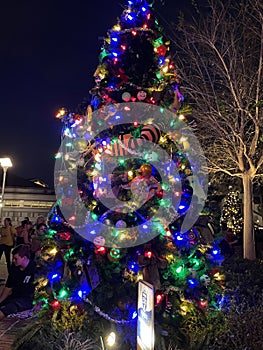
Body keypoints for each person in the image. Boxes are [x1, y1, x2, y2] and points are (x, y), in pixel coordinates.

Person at [0, 244, 35, 320]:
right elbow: (8, 287)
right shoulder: (15, 268)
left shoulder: (33, 269)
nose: (13, 261)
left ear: (24, 258)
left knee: (7, 309)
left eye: (16, 259)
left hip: (27, 299)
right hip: (15, 296)